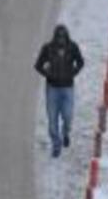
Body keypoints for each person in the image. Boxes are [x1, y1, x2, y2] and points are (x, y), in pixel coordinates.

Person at [34, 25, 84, 158]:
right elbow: (38, 65)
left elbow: (80, 62)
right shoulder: (48, 48)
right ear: (55, 37)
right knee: (52, 119)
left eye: (63, 37)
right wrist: (47, 74)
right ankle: (56, 144)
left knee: (68, 115)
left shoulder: (73, 47)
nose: (61, 40)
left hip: (68, 88)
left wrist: (73, 72)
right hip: (52, 89)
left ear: (67, 37)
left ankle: (66, 133)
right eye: (58, 37)